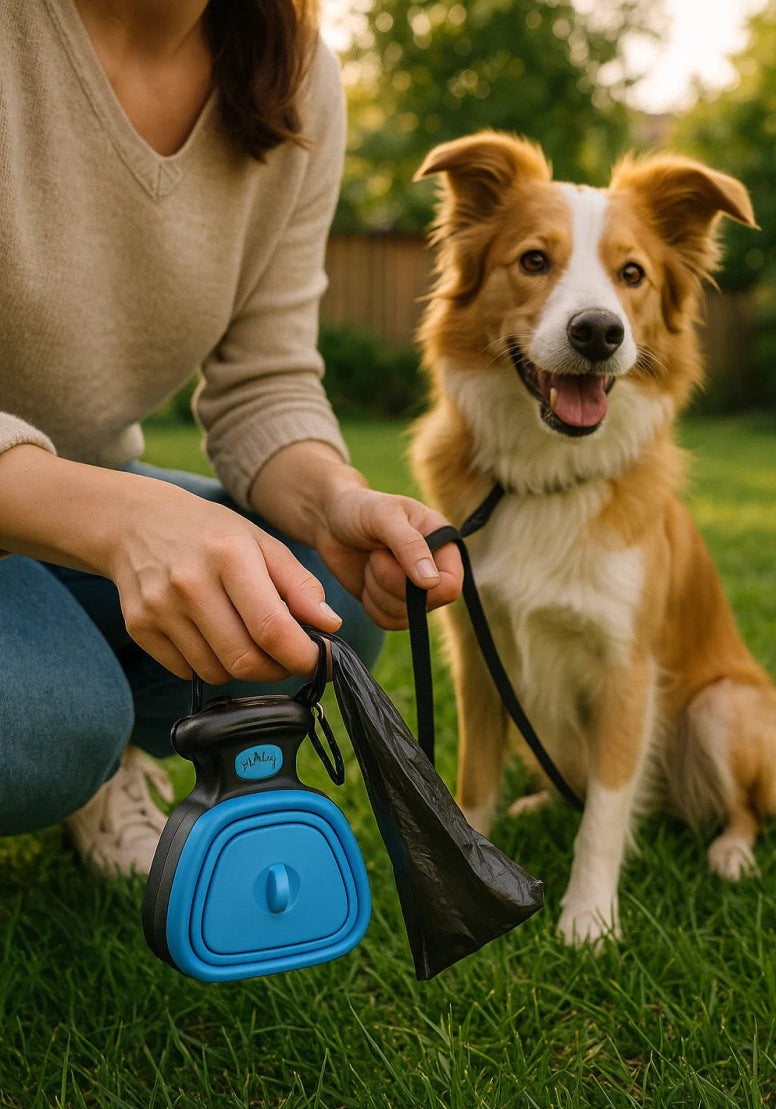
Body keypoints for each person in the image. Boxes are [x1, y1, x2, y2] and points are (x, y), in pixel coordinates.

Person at [0, 0, 462, 874]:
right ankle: (85, 743)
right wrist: (118, 519)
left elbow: (266, 380)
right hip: (59, 502)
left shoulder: (295, 75)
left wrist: (337, 500)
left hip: (71, 505)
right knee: (53, 721)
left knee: (323, 590)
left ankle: (91, 742)